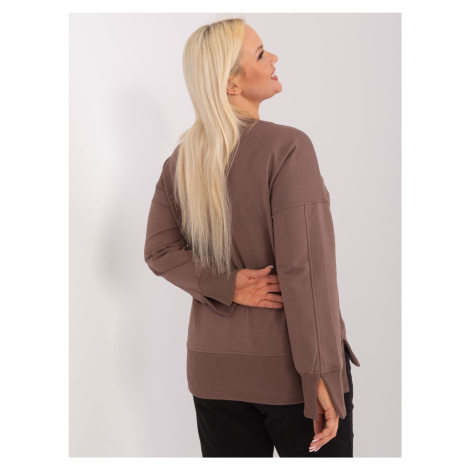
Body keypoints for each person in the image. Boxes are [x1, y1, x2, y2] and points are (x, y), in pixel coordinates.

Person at [144, 18, 361, 457]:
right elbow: (305, 270)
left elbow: (159, 250)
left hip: (213, 376)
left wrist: (226, 285)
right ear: (231, 83)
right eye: (261, 54)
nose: (274, 58)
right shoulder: (288, 148)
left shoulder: (182, 161)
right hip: (292, 377)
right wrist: (321, 373)